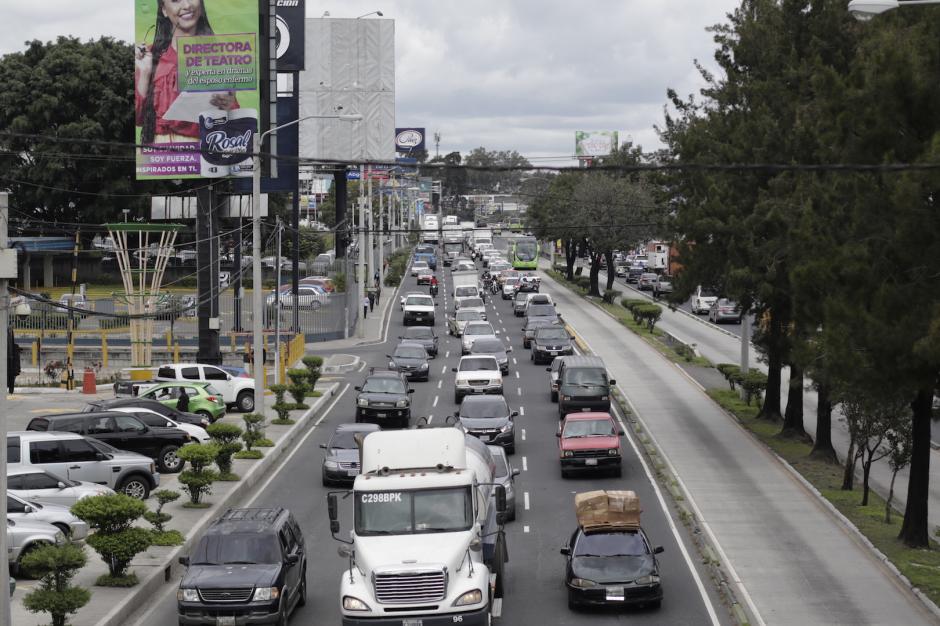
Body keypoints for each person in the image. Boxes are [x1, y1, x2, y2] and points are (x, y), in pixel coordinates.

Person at [135, 0, 237, 145]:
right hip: (158, 160)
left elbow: (234, 125)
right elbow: (138, 119)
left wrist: (226, 106)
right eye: (176, 0)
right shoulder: (148, 57)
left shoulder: (218, 59)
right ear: (163, 9)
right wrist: (145, 72)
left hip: (202, 156)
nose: (187, 5)